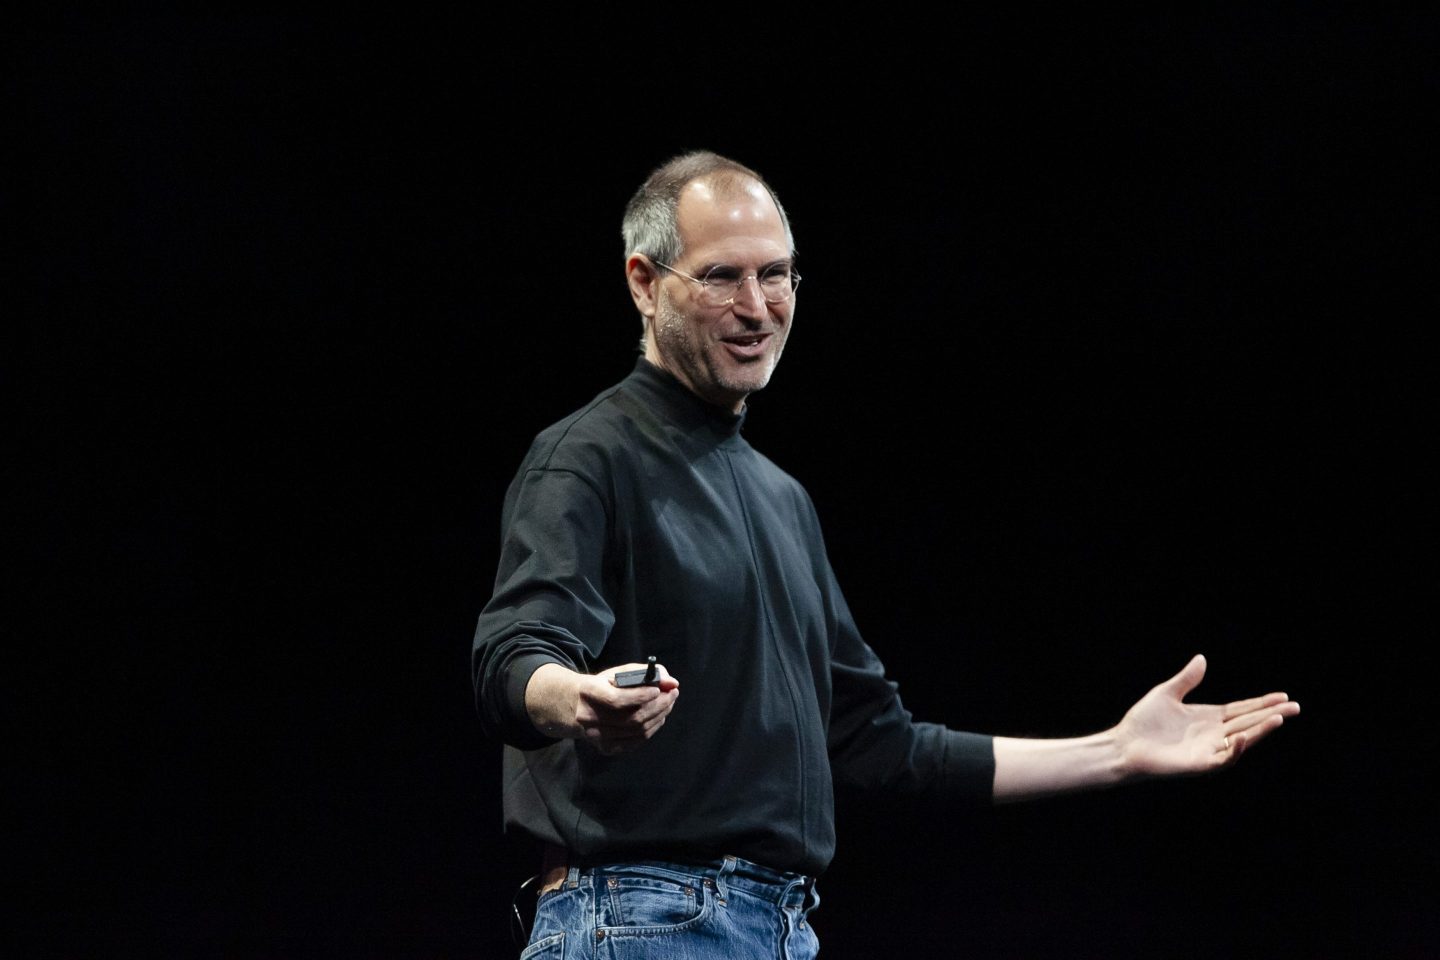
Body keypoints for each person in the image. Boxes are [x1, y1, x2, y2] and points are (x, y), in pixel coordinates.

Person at [472, 150, 1300, 958]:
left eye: (778, 275)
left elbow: (878, 744)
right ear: (645, 284)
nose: (757, 308)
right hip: (643, 914)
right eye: (722, 276)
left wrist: (1118, 751)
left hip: (778, 926)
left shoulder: (782, 499)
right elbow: (514, 653)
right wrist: (575, 699)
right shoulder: (587, 457)